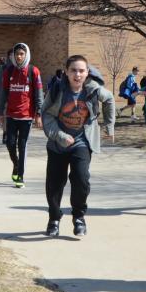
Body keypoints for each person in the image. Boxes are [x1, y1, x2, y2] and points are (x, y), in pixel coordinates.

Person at [41, 55, 115, 237]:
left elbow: (110, 99)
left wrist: (109, 126)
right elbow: (46, 116)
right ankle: (54, 219)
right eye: (73, 70)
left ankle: (79, 217)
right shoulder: (58, 89)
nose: (77, 74)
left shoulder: (93, 90)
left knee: (81, 180)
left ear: (87, 73)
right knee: (55, 184)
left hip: (82, 143)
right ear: (66, 72)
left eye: (81, 70)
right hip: (58, 145)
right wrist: (60, 136)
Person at [0, 42, 43, 188]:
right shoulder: (8, 71)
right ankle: (16, 165)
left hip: (26, 116)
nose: (19, 56)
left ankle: (20, 176)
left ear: (26, 54)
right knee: (10, 144)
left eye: (22, 54)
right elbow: (3, 93)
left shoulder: (33, 71)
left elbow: (38, 93)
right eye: (17, 54)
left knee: (22, 146)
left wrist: (38, 113)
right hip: (10, 114)